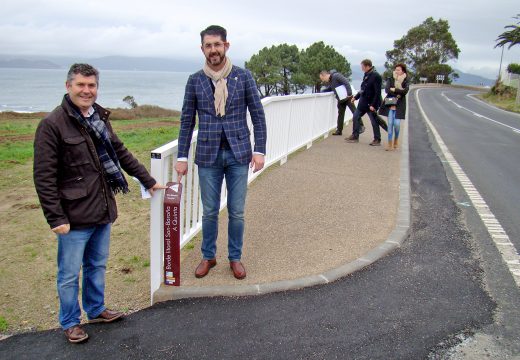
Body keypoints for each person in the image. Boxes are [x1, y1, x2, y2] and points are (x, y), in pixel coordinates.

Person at [33, 63, 166, 343]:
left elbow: (120, 152)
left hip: (102, 207)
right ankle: (70, 322)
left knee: (96, 265)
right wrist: (55, 218)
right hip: (73, 214)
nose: (86, 90)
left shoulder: (99, 118)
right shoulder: (51, 125)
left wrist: (148, 180)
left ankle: (95, 309)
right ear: (68, 86)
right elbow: (44, 176)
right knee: (69, 274)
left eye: (91, 85)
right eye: (81, 85)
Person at [175, 25, 267, 280]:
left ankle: (235, 258)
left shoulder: (243, 76)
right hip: (208, 155)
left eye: (217, 44)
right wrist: (182, 156)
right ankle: (209, 256)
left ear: (226, 45)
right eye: (208, 45)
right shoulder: (195, 80)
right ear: (202, 48)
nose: (213, 50)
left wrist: (259, 150)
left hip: (239, 154)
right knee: (209, 211)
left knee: (237, 211)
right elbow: (186, 121)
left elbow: (258, 116)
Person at [346, 59, 387, 146]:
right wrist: (355, 97)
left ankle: (377, 139)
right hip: (363, 103)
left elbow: (377, 92)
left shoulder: (376, 76)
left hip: (370, 104)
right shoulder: (366, 75)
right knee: (356, 117)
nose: (361, 68)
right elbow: (363, 89)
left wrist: (373, 105)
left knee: (374, 121)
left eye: (362, 66)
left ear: (367, 66)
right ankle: (355, 136)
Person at [319, 70, 364, 136]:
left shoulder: (336, 76)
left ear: (325, 75)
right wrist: (321, 92)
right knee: (340, 114)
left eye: (322, 79)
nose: (323, 81)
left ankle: (361, 126)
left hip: (348, 97)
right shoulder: (331, 81)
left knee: (354, 112)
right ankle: (339, 130)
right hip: (341, 99)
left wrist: (349, 94)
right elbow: (330, 88)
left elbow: (346, 82)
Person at [379, 63, 409, 151]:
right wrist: (398, 92)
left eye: (399, 70)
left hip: (399, 105)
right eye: (396, 69)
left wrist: (395, 89)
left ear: (402, 71)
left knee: (397, 124)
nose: (397, 71)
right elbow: (387, 90)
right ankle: (389, 144)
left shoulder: (405, 80)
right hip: (390, 104)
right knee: (390, 124)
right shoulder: (390, 79)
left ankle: (396, 139)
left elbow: (405, 91)